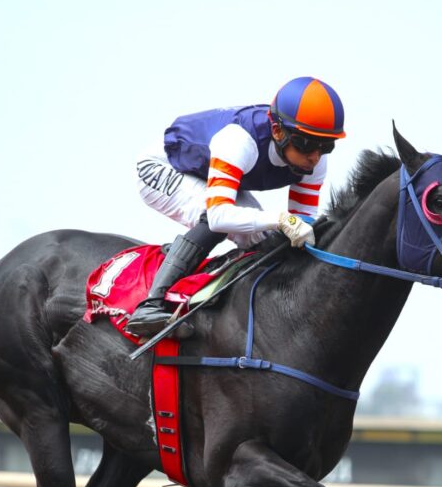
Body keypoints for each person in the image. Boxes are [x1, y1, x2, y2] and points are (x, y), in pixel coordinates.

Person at [125, 76, 346, 337]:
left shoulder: (314, 160)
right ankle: (150, 306)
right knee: (222, 221)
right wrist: (281, 220)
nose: (315, 156)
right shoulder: (239, 141)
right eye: (306, 144)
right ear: (278, 132)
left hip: (206, 172)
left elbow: (303, 225)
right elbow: (219, 216)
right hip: (162, 168)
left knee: (264, 237)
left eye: (326, 146)